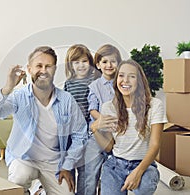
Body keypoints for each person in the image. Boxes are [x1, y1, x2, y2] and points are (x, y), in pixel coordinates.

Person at [0, 46, 88, 195]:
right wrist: (8, 87)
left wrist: (67, 165)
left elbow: (80, 134)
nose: (43, 70)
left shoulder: (66, 100)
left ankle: (39, 191)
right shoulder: (19, 96)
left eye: (48, 66)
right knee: (20, 177)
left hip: (54, 163)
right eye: (39, 66)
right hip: (24, 158)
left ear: (54, 70)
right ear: (29, 69)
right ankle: (33, 189)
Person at [91, 59, 168, 195]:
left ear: (139, 81)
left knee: (144, 186)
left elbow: (155, 145)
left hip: (144, 165)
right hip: (115, 165)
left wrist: (137, 172)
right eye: (121, 75)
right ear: (116, 80)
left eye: (132, 76)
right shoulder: (108, 107)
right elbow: (109, 147)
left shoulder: (154, 105)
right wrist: (94, 129)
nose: (125, 80)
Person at [84, 44, 122, 195]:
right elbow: (92, 109)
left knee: (112, 173)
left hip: (117, 134)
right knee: (91, 173)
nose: (109, 65)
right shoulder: (94, 86)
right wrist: (104, 121)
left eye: (113, 61)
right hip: (97, 134)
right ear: (98, 65)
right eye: (105, 62)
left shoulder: (122, 84)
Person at [63, 44, 100, 194]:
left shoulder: (94, 82)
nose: (81, 65)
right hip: (71, 132)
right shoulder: (68, 83)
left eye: (84, 61)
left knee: (85, 169)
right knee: (69, 163)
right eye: (76, 62)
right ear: (70, 65)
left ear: (90, 62)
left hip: (89, 130)